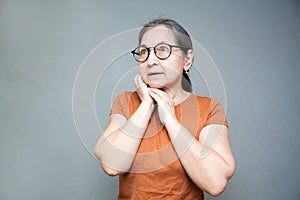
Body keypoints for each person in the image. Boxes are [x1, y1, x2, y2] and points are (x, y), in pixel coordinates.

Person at [94, 18, 235, 199]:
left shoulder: (208, 108)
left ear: (187, 60)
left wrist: (170, 120)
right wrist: (146, 105)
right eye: (144, 52)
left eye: (162, 50)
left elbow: (215, 183)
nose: (151, 60)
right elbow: (112, 165)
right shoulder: (126, 102)